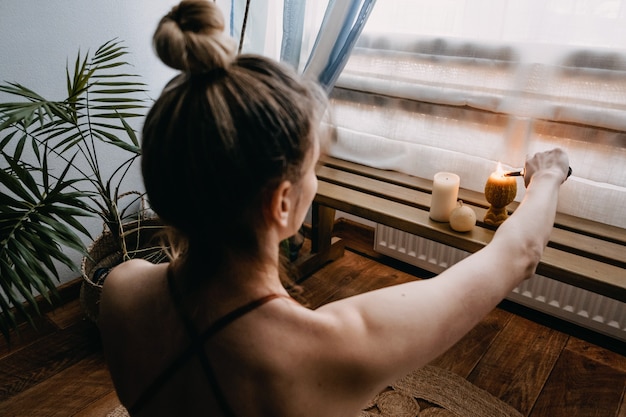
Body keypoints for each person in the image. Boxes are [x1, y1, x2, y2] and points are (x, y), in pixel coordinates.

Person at [98, 1, 571, 416]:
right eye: (312, 165)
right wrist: (548, 174)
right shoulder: (333, 349)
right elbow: (516, 254)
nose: (316, 178)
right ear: (283, 204)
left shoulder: (121, 290)